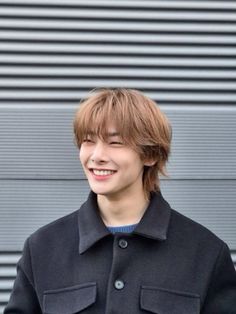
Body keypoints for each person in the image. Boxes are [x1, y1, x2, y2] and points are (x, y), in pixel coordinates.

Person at [4, 88, 236, 313]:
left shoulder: (206, 253)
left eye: (115, 143)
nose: (97, 156)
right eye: (88, 140)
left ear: (151, 154)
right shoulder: (42, 248)